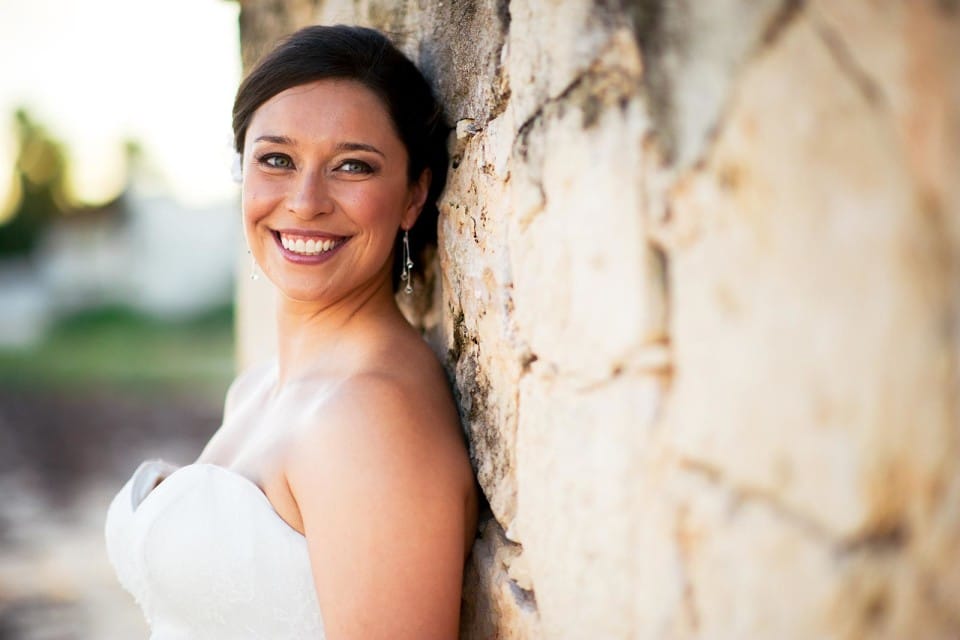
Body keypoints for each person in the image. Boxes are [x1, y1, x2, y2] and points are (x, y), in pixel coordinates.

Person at [105, 24, 479, 639]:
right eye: (276, 159)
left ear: (414, 196)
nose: (306, 202)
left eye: (352, 166)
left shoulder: (370, 415)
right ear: (241, 170)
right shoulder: (257, 389)